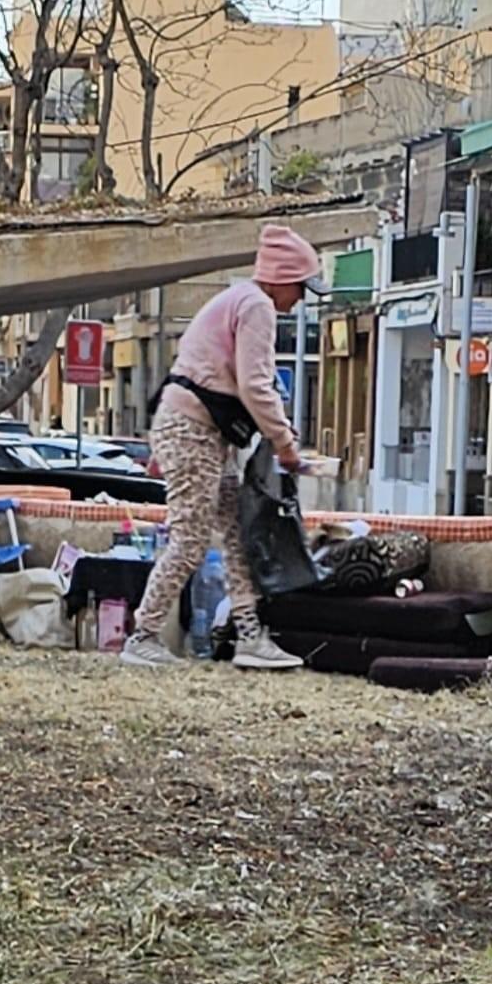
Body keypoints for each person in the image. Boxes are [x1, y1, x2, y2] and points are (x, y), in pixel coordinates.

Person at [121, 224, 328, 671]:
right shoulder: (257, 306)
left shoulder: (235, 299)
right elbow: (256, 386)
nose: (301, 300)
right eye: (301, 288)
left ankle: (250, 634)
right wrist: (286, 446)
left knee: (237, 532)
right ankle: (143, 634)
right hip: (195, 432)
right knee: (192, 539)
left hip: (194, 429)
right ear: (282, 278)